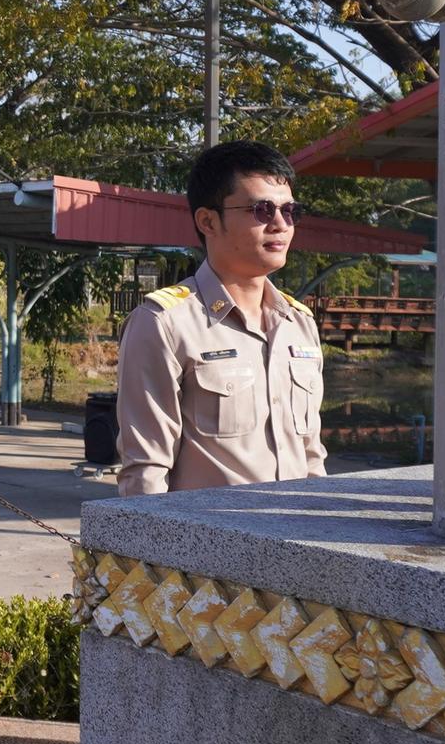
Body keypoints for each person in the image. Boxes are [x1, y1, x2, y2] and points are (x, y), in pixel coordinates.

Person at [115, 139, 328, 495]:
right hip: (209, 546)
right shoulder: (165, 324)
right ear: (208, 221)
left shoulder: (300, 325)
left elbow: (311, 458)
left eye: (290, 211)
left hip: (298, 540)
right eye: (262, 210)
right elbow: (146, 472)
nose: (280, 224)